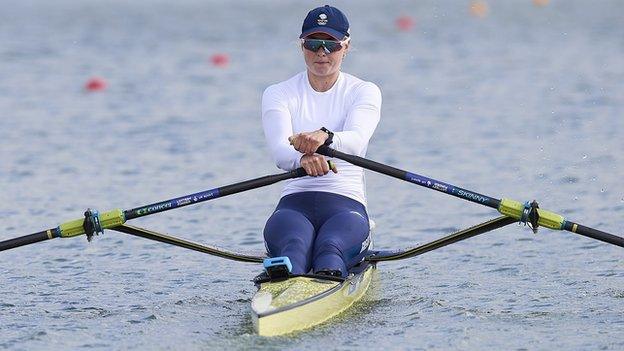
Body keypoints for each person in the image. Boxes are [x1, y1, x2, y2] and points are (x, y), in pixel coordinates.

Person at [261, 5, 382, 277]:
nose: (322, 53)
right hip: (294, 203)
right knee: (292, 248)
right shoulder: (279, 93)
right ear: (301, 46)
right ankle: (284, 289)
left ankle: (326, 275)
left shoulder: (364, 91)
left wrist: (325, 136)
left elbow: (356, 141)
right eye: (313, 44)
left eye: (332, 45)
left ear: (346, 46)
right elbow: (281, 153)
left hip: (346, 206)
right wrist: (303, 158)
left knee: (330, 249)